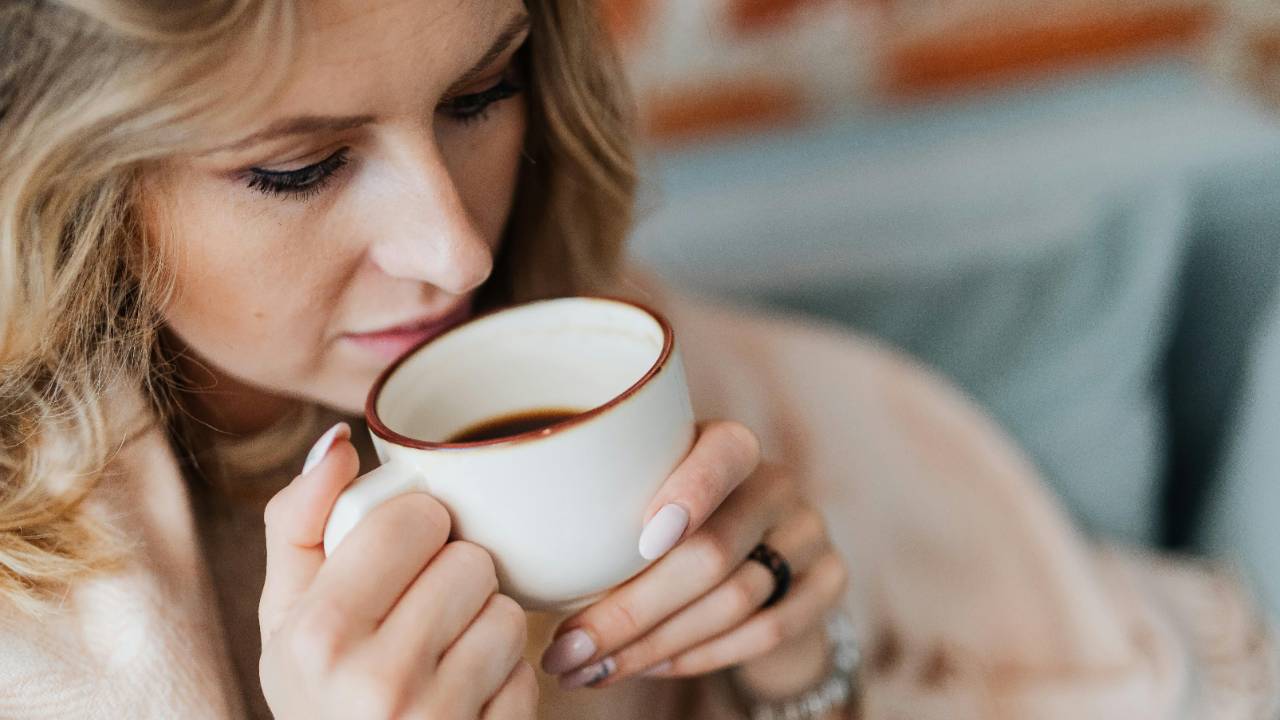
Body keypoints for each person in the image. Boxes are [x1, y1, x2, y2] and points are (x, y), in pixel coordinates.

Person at [0, 1, 1274, 719]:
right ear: (67, 189)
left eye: (479, 93)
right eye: (299, 168)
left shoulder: (605, 354)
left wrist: (792, 669)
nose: (450, 249)